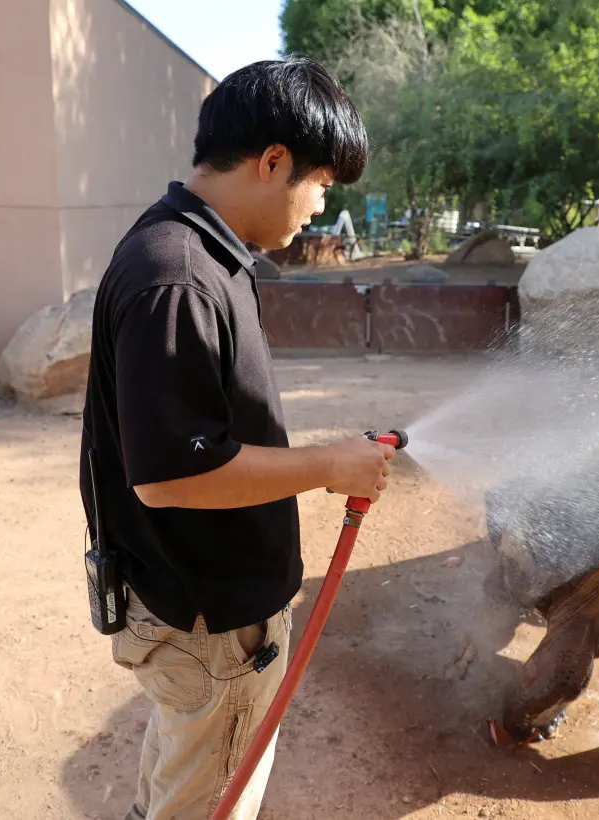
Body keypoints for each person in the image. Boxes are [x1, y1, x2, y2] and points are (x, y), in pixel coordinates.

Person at [78, 57, 394, 820]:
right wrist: (328, 465)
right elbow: (172, 477)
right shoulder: (179, 277)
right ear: (273, 161)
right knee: (207, 800)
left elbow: (198, 437)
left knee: (180, 772)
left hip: (196, 614)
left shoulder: (198, 253)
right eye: (320, 184)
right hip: (209, 625)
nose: (320, 207)